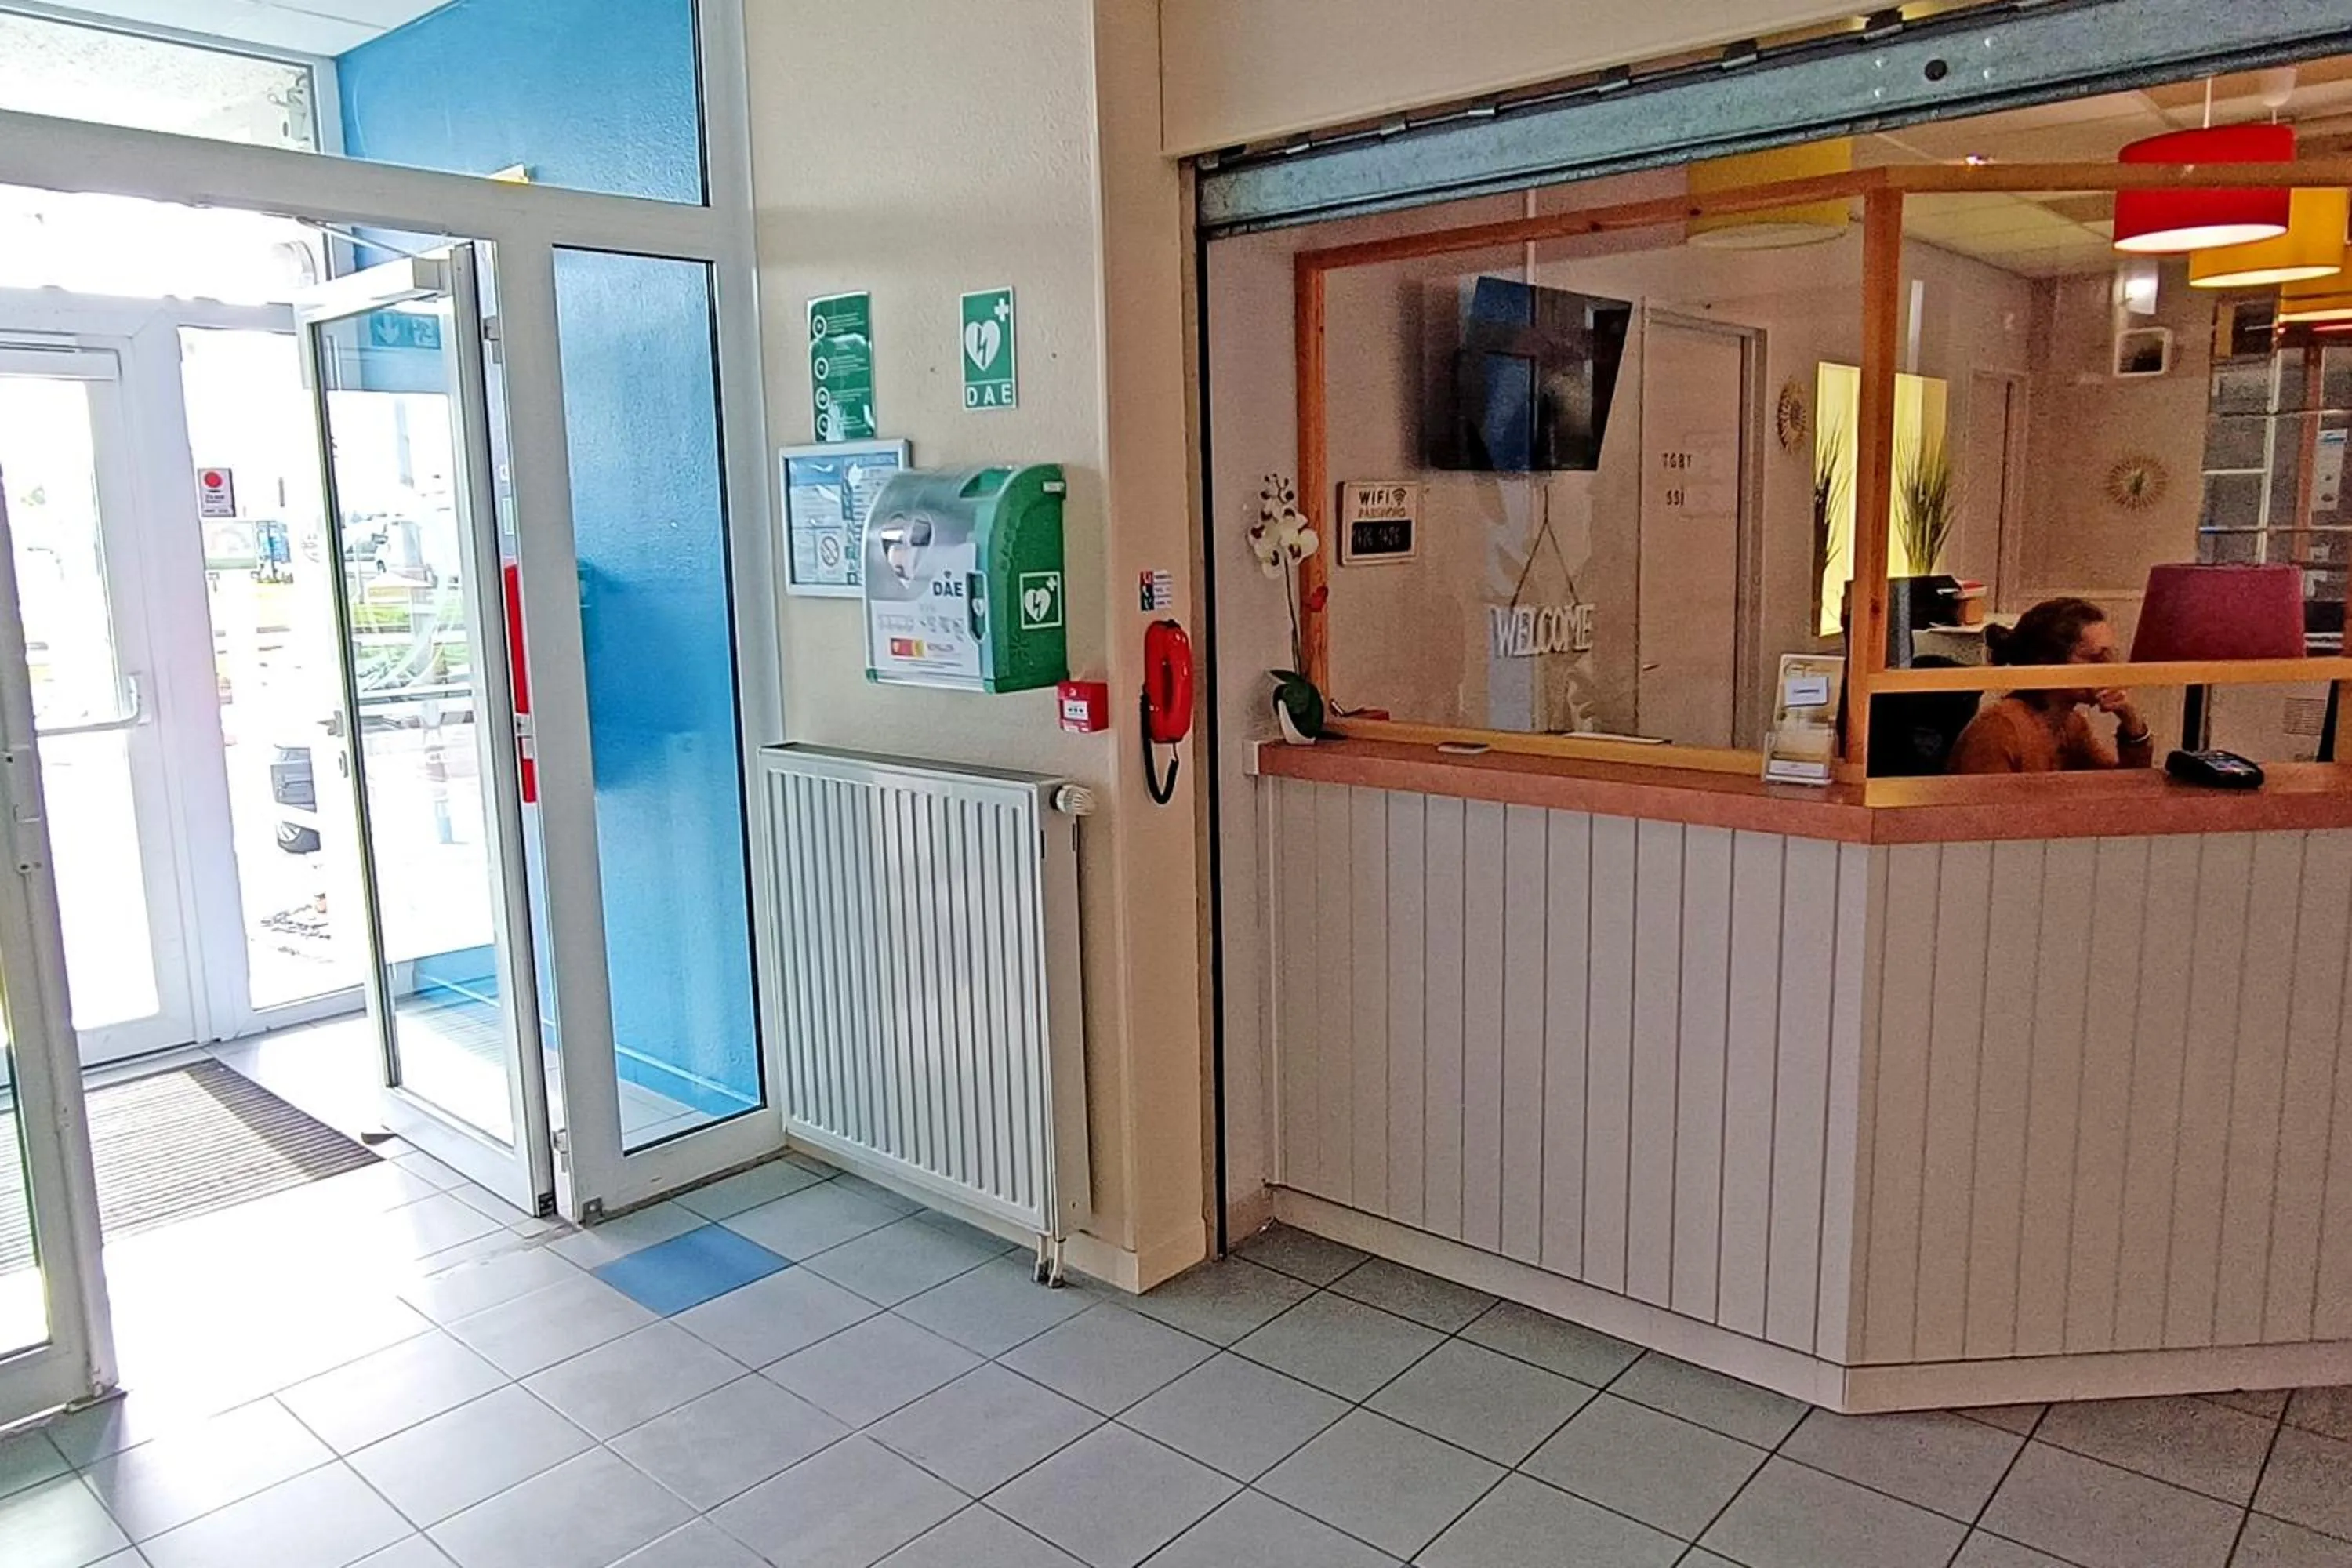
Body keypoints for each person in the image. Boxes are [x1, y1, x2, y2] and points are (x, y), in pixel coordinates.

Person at [1946, 597, 2154, 774]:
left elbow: (2122, 788)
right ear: (2048, 661)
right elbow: (1986, 814)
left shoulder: (2071, 724)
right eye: (2095, 658)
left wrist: (2132, 723)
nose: (2108, 667)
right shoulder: (1999, 729)